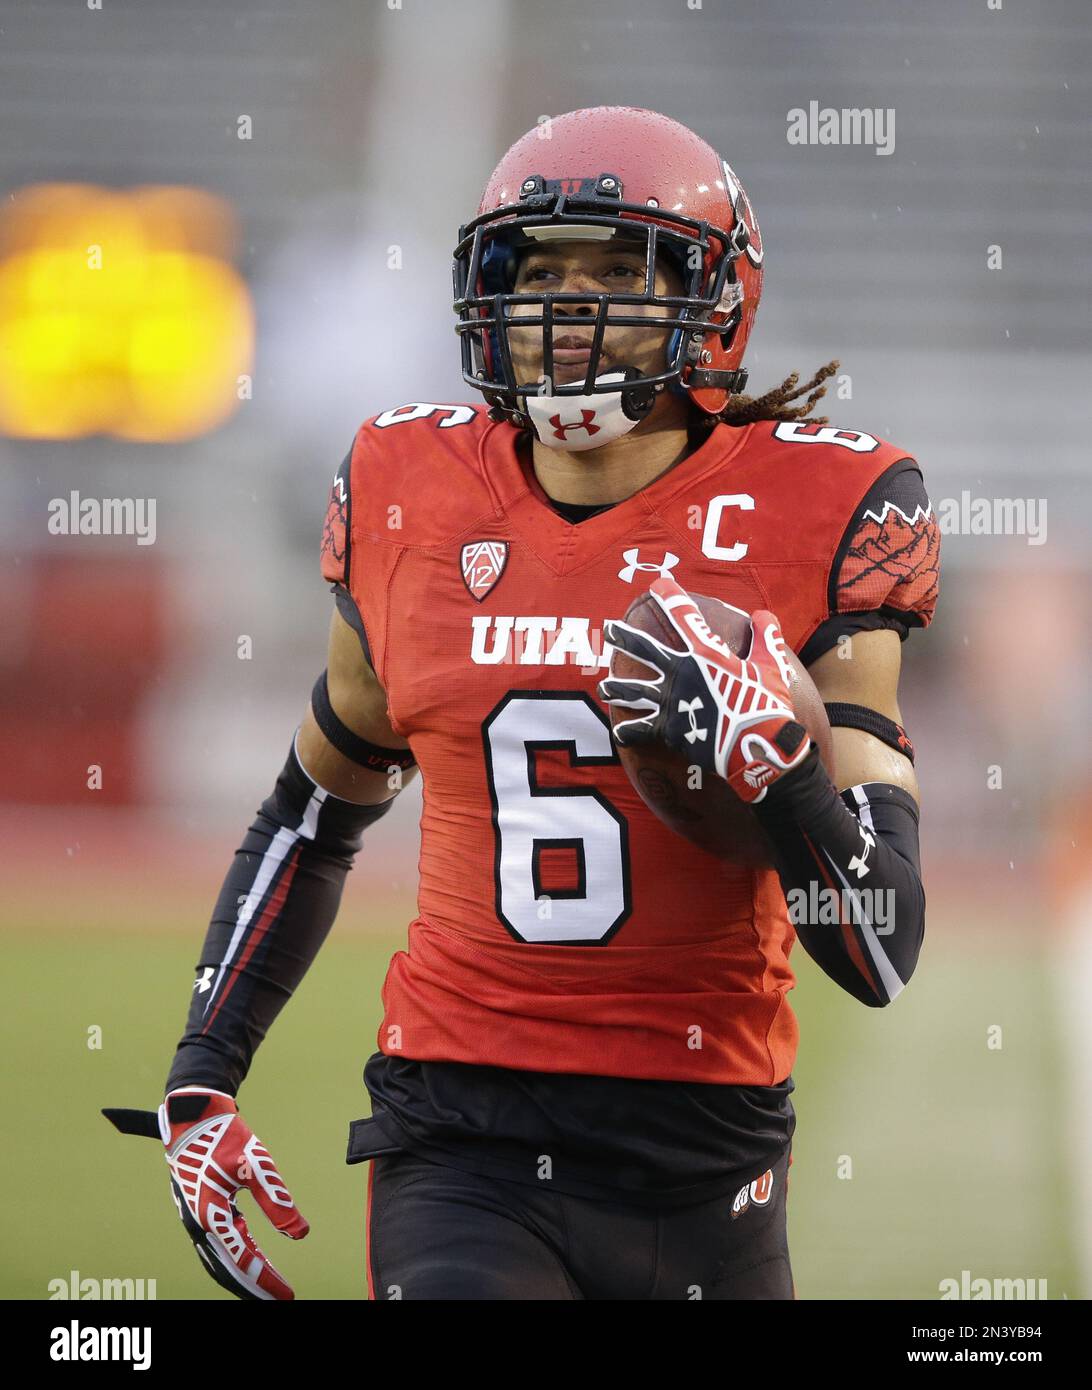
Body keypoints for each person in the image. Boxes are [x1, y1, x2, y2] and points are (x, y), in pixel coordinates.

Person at [105, 105, 940, 1301]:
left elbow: (879, 953)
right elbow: (314, 810)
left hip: (708, 1152)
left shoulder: (821, 504)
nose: (568, 307)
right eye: (538, 271)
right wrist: (203, 1073)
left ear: (714, 299)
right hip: (462, 1132)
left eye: (618, 270)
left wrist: (786, 776)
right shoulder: (412, 489)